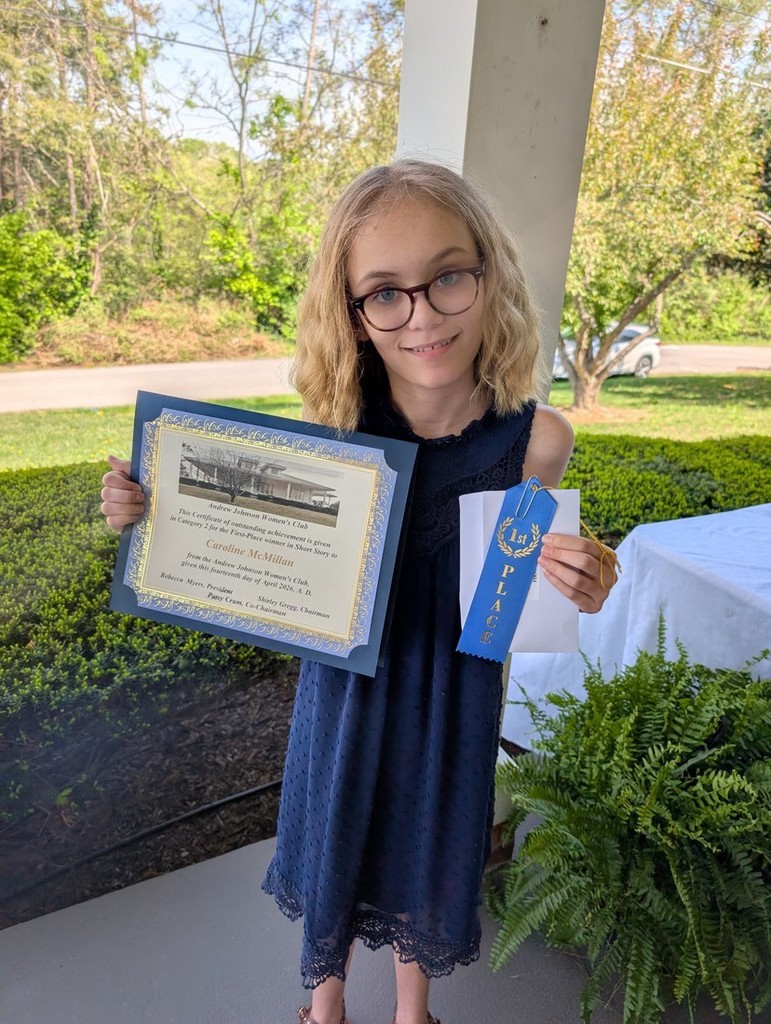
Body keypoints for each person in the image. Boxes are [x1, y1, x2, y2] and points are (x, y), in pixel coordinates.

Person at [101, 159, 617, 1024]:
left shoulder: (540, 441)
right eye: (384, 292)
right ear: (350, 311)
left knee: (430, 836)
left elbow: (536, 581)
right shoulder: (336, 434)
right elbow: (242, 533)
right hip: (345, 688)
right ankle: (324, 1001)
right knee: (337, 824)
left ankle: (411, 1010)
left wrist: (586, 577)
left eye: (448, 277)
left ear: (490, 274)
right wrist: (151, 506)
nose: (419, 314)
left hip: (453, 695)